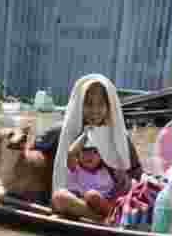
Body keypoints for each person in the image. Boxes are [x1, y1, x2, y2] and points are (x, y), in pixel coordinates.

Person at [51, 74, 142, 221]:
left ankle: (109, 214)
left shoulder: (119, 138)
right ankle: (101, 218)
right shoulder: (74, 135)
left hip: (109, 199)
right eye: (89, 104)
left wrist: (125, 182)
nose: (94, 110)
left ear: (109, 107)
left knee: (94, 196)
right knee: (59, 197)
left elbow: (136, 173)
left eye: (100, 104)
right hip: (79, 199)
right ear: (80, 106)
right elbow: (65, 167)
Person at [65, 130, 120, 220]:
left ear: (101, 155)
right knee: (59, 196)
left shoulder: (108, 168)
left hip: (105, 204)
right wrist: (87, 132)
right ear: (78, 155)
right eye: (84, 151)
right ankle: (101, 219)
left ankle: (112, 217)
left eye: (94, 151)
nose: (89, 155)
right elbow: (71, 152)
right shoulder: (75, 168)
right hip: (82, 204)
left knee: (92, 195)